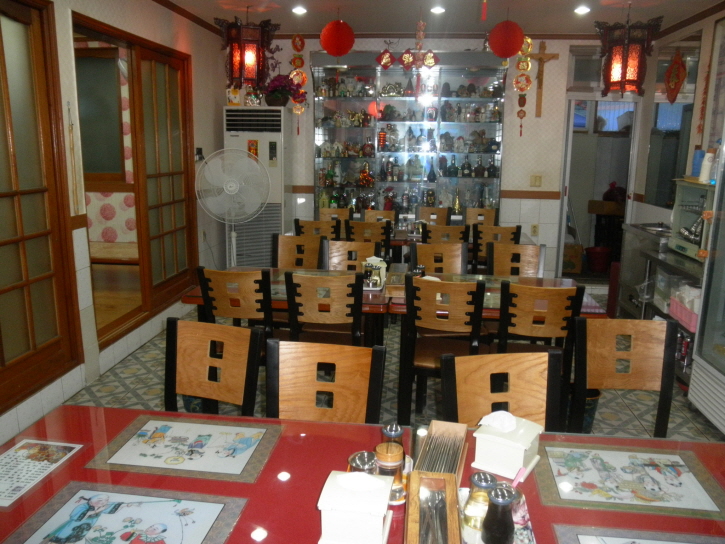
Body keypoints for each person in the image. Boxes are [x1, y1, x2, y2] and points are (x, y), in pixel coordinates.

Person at [42, 494, 128, 544]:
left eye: (105, 500)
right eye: (100, 500)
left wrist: (123, 506)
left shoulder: (100, 507)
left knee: (71, 541)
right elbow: (76, 516)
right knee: (59, 540)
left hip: (82, 530)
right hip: (70, 527)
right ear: (91, 501)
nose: (103, 502)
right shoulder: (83, 506)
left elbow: (112, 510)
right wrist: (97, 511)